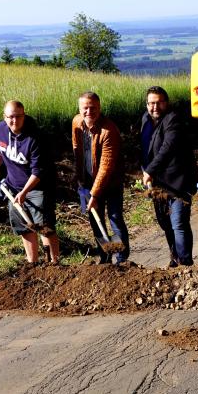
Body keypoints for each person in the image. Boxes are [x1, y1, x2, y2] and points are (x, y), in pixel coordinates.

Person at [0, 100, 59, 264]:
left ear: (24, 115)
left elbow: (38, 171)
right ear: (4, 117)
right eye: (11, 117)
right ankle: (33, 263)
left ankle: (54, 265)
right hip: (13, 186)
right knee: (24, 227)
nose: (14, 121)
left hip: (38, 187)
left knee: (44, 227)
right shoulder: (1, 129)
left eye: (18, 116)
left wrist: (24, 193)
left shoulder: (36, 138)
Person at [140, 86, 198, 267]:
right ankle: (175, 257)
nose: (155, 107)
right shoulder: (145, 120)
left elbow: (168, 147)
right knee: (165, 223)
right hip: (159, 183)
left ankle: (185, 262)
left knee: (178, 223)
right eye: (151, 103)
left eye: (159, 102)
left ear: (167, 103)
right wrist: (144, 169)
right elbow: (145, 148)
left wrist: (149, 170)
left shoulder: (173, 120)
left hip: (179, 181)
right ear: (147, 104)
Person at [71, 91, 130, 264]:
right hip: (87, 183)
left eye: (93, 108)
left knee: (115, 218)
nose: (89, 111)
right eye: (85, 108)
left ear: (100, 108)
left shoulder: (108, 130)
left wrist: (95, 194)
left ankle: (121, 257)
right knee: (95, 221)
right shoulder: (76, 123)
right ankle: (104, 255)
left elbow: (106, 166)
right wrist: (78, 175)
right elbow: (76, 147)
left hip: (111, 183)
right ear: (79, 109)